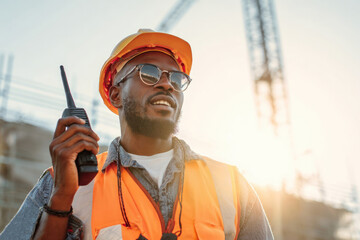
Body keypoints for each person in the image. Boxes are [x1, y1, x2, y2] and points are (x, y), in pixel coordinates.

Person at [0, 29, 274, 240]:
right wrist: (61, 198)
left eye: (176, 78)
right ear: (115, 93)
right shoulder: (60, 182)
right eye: (149, 73)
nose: (167, 83)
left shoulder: (232, 186)